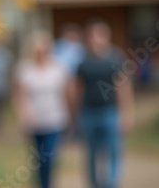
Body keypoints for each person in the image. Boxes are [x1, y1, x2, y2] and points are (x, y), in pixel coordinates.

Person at [73, 20, 134, 188]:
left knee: (114, 151)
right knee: (91, 154)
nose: (95, 39)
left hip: (110, 113)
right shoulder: (83, 62)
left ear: (106, 37)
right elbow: (78, 89)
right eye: (92, 36)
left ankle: (111, 184)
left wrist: (126, 113)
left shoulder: (116, 58)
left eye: (99, 35)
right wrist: (75, 115)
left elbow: (123, 87)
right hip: (88, 113)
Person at [13, 30, 71, 188]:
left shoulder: (58, 69)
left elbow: (65, 94)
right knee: (38, 160)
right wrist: (24, 113)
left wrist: (69, 115)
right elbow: (19, 96)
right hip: (33, 121)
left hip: (55, 119)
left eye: (44, 50)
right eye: (38, 51)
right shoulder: (24, 70)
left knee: (50, 158)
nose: (42, 53)